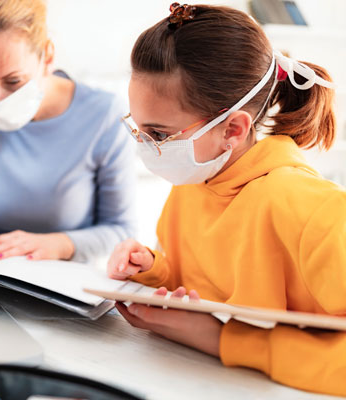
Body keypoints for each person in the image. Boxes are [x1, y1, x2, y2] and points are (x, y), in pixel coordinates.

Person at [106, 3, 346, 396]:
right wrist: (152, 272)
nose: (147, 148)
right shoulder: (191, 186)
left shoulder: (316, 210)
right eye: (139, 128)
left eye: (160, 135)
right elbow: (201, 285)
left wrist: (221, 341)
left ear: (233, 128)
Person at [0, 0, 136, 263]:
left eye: (13, 81)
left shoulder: (105, 114)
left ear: (48, 56)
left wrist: (59, 244)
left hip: (69, 285)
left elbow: (123, 232)